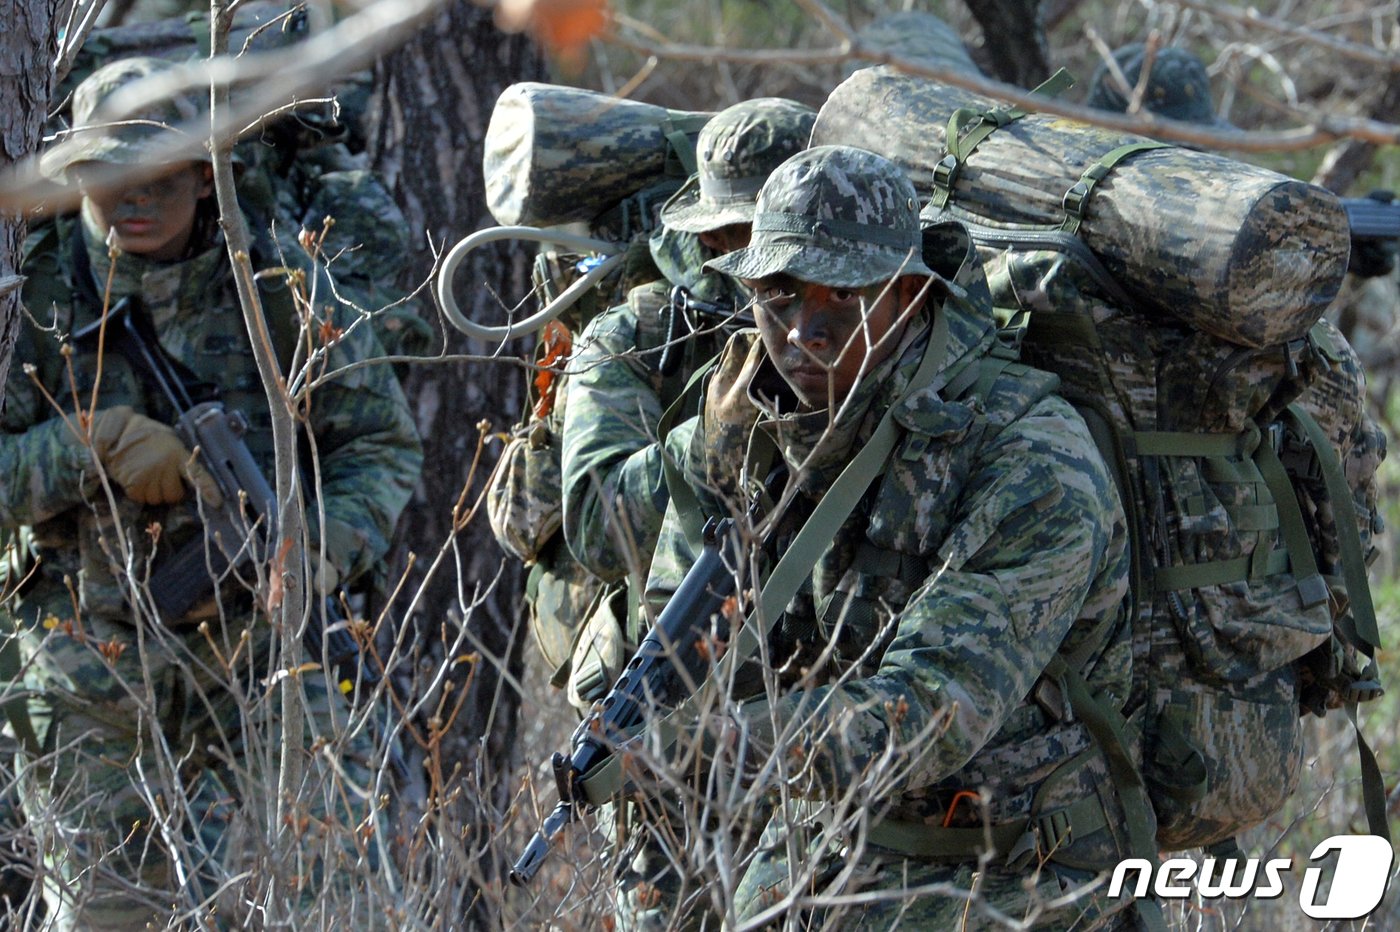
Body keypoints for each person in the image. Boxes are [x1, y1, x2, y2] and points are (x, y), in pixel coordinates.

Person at [645, 145, 1142, 928]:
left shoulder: (1030, 454)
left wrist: (715, 747)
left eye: (841, 295)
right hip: (825, 839)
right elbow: (683, 635)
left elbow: (930, 714)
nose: (804, 330)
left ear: (910, 295)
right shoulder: (753, 433)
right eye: (777, 294)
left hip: (1010, 869)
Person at [1, 56, 422, 929]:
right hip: (91, 661)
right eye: (110, 177)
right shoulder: (30, 295)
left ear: (207, 171)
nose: (133, 202)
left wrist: (316, 545)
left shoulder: (279, 282)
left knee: (333, 888)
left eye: (160, 177)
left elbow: (377, 443)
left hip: (268, 647)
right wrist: (84, 445)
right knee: (109, 910)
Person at [556, 97, 814, 930]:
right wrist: (706, 445)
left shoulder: (860, 323)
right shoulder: (637, 336)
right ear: (704, 237)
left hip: (822, 699)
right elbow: (595, 529)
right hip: (674, 701)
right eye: (735, 235)